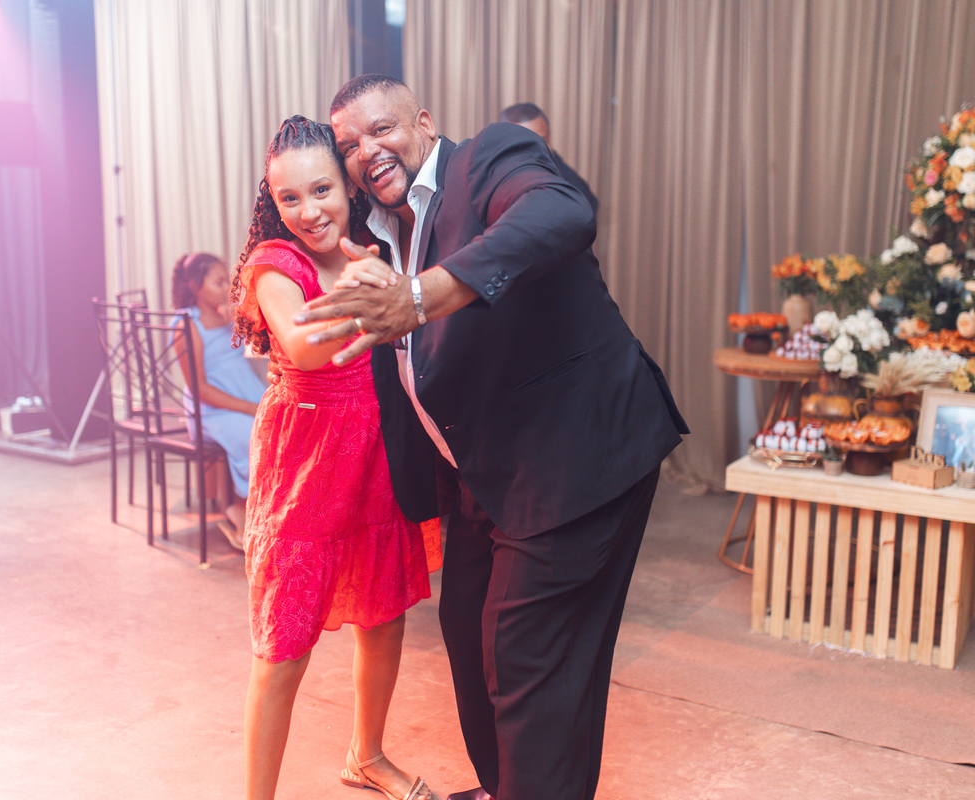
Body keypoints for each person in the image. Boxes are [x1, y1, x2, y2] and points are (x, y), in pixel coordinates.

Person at [297, 75, 689, 800]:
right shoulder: (379, 235)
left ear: (423, 122)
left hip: (575, 458)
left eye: (381, 129)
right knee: (466, 628)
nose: (365, 151)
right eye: (349, 144)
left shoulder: (489, 161)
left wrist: (421, 297)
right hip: (484, 475)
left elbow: (560, 213)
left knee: (525, 654)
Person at [229, 115, 436, 800]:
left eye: (321, 190)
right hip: (306, 467)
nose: (308, 212)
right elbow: (305, 347)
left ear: (347, 186)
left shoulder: (377, 243)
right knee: (284, 644)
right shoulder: (273, 264)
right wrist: (379, 293)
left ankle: (366, 755)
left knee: (384, 616)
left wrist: (391, 282)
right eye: (289, 198)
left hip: (375, 452)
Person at [170, 252, 267, 551]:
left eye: (228, 280)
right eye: (219, 282)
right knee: (255, 434)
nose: (227, 288)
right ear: (195, 286)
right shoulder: (186, 324)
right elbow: (199, 388)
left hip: (245, 391)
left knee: (283, 424)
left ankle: (264, 511)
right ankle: (241, 510)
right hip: (211, 410)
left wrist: (242, 319)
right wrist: (250, 408)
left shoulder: (228, 314)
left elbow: (259, 349)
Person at [499, 102, 599, 213]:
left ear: (549, 134)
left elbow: (588, 208)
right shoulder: (493, 176)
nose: (538, 149)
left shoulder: (569, 183)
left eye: (543, 139)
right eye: (527, 143)